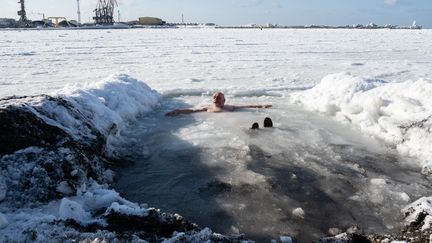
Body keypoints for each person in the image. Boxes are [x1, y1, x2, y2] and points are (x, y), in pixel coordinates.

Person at [165, 92, 272, 116]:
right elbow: (193, 110)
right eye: (214, 97)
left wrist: (261, 106)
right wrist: (178, 111)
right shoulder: (208, 108)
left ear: (224, 100)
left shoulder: (230, 107)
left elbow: (246, 107)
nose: (216, 99)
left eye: (219, 97)